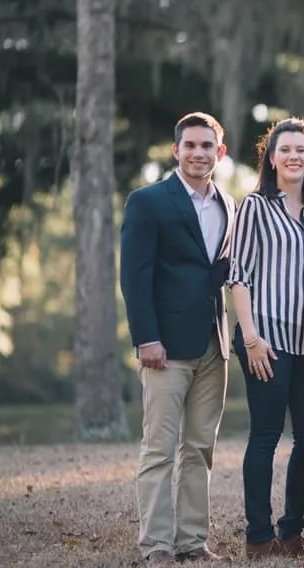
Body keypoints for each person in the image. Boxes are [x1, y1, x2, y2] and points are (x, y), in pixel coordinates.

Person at [120, 112, 236, 566]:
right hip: (164, 348)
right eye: (190, 145)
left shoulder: (228, 204)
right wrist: (146, 338)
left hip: (214, 344)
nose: (198, 153)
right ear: (176, 150)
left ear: (219, 153)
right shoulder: (147, 202)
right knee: (159, 449)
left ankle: (192, 541)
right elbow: (134, 277)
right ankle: (156, 545)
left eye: (207, 146)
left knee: (200, 449)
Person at [227, 118, 304, 559]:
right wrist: (251, 338)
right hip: (266, 341)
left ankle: (291, 530)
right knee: (266, 435)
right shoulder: (255, 207)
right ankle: (259, 536)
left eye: (301, 150)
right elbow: (238, 276)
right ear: (271, 158)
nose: (294, 156)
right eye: (286, 150)